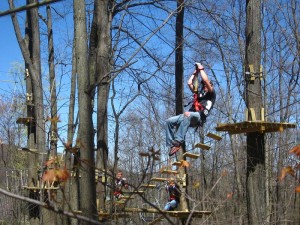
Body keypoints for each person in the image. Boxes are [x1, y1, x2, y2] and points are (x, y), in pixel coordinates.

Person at [166, 62, 216, 156]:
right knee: (169, 121)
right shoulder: (199, 94)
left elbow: (205, 80)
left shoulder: (211, 93)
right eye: (204, 86)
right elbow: (189, 83)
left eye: (206, 85)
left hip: (199, 117)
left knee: (187, 114)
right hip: (189, 116)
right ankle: (171, 144)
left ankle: (178, 141)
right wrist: (195, 72)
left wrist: (201, 69)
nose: (205, 87)